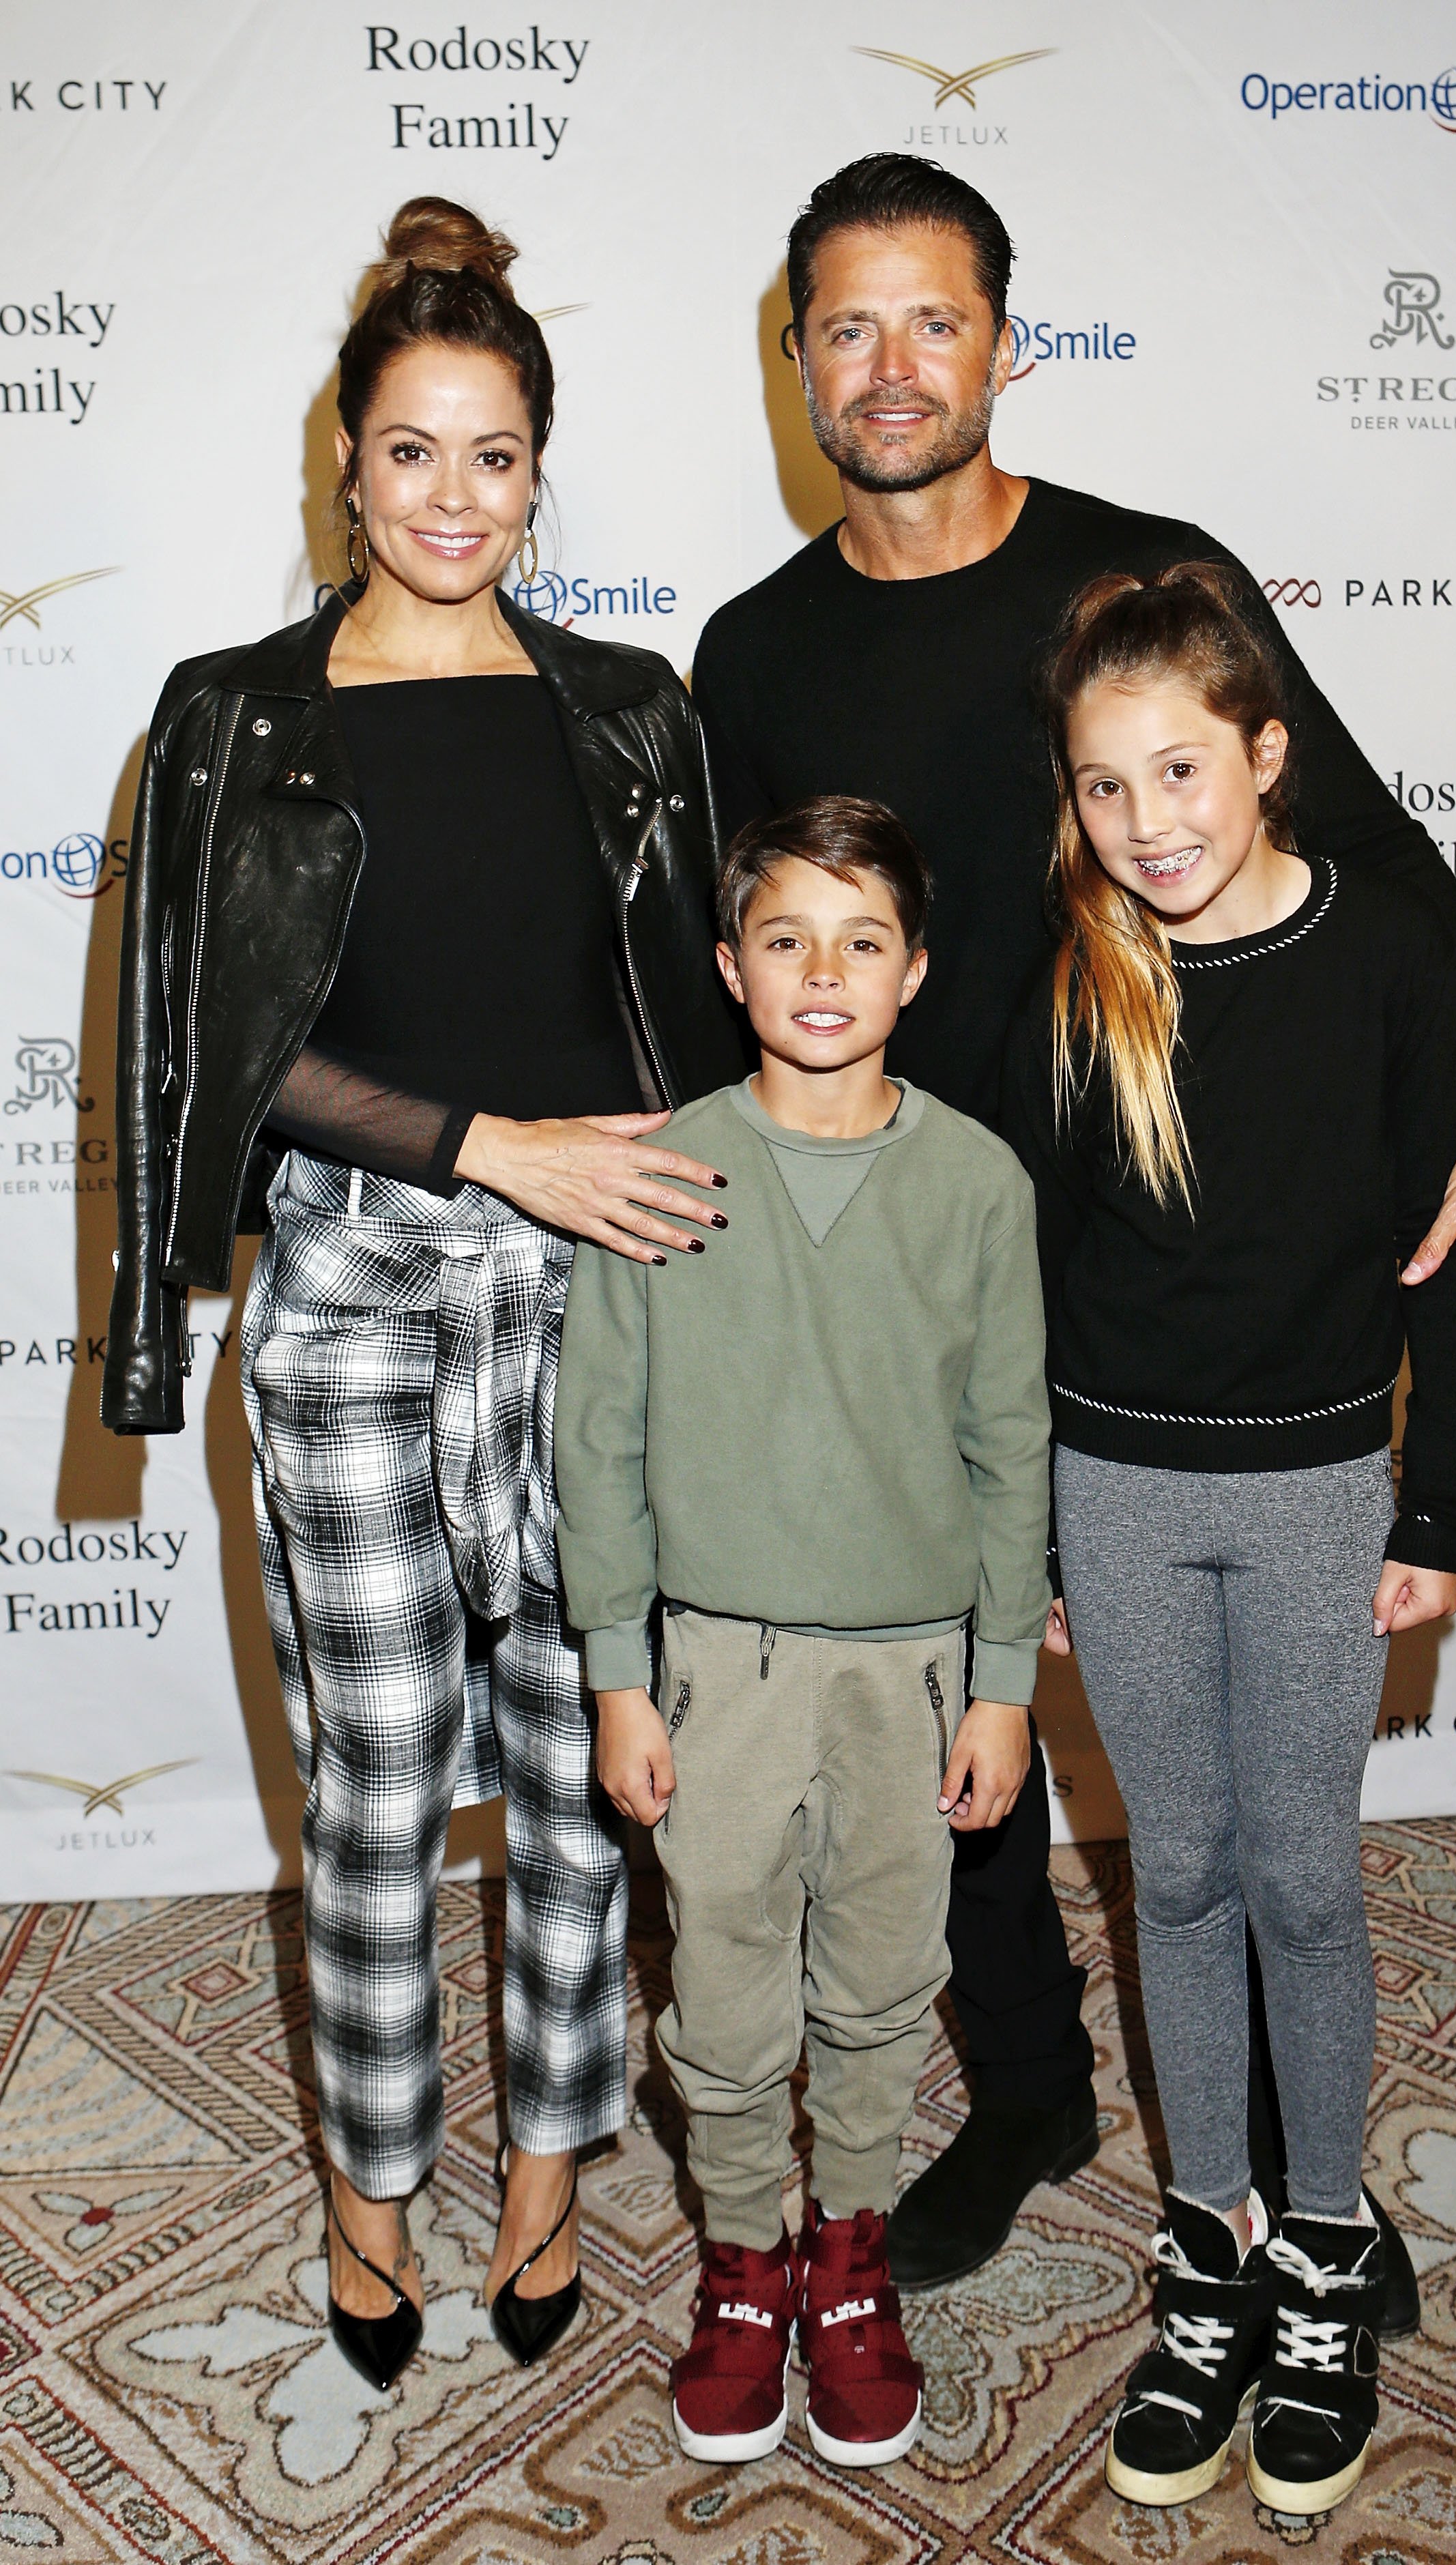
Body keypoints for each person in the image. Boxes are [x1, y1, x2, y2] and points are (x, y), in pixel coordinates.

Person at [692, 152, 1456, 2306]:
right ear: (795, 360)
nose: (892, 369)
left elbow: (1387, 879)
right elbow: (727, 950)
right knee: (933, 1701)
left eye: (936, 320)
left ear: (1008, 339)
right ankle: (1035, 2084)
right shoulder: (755, 648)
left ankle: (1293, 2191)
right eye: (848, 328)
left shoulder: (1148, 583)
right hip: (892, 1258)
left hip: (1152, 1263)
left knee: (1236, 1824)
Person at [103, 196, 743, 2390]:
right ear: (343, 468)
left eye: (493, 453)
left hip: (599, 1298)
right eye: (410, 451)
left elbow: (715, 1036)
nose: (451, 495)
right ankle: (371, 2214)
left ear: (538, 471)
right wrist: (483, 1148)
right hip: (358, 1300)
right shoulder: (229, 719)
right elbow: (210, 1047)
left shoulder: (635, 715)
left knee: (582, 1777)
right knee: (376, 1786)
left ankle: (550, 2184)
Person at [1002, 562, 1456, 2515]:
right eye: (1107, 788)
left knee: (1303, 1883)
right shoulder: (1076, 974)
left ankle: (1317, 2254)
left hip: (1312, 1495)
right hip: (1114, 1494)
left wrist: (1436, 1499)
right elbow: (1030, 1284)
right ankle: (1202, 2250)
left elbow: (1453, 1258)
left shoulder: (1389, 952)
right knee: (1176, 1880)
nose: (1151, 823)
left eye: (1184, 772)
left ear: (1269, 757)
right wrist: (1023, 1525)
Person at [554, 797, 1052, 2467]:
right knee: (722, 1980)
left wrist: (995, 1690)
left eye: (859, 940)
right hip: (717, 1669)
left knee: (882, 1973)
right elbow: (598, 1444)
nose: (820, 971)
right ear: (727, 963)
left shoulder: (977, 1180)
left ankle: (850, 2248)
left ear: (913, 969)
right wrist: (622, 1679)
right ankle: (744, 2251)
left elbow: (1007, 1443)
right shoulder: (660, 1173)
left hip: (911, 1670)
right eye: (783, 937)